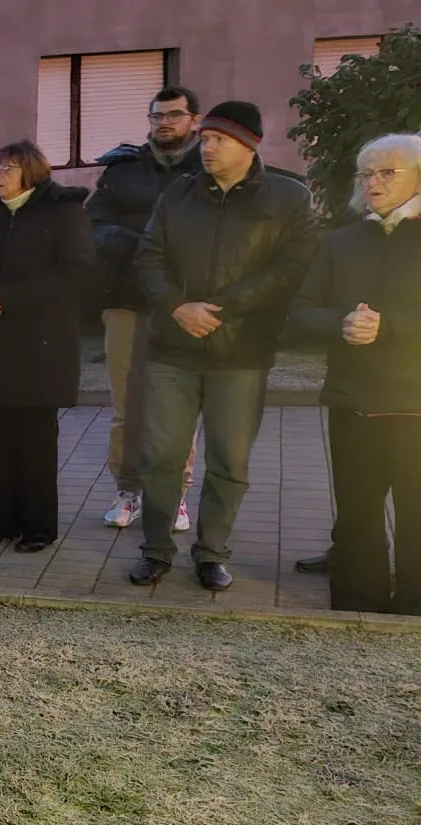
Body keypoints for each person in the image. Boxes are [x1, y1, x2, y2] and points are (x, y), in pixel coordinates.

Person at [128, 101, 320, 591]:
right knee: (161, 457)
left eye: (217, 140)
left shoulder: (287, 197)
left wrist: (222, 308)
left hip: (241, 352)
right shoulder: (179, 195)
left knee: (229, 460)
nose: (206, 148)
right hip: (173, 348)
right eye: (205, 139)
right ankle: (156, 550)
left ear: (247, 145)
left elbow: (291, 267)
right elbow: (149, 258)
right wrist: (177, 307)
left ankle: (212, 553)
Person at [290, 133, 421, 615]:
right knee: (357, 518)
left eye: (388, 172)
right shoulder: (341, 241)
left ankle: (415, 610)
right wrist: (341, 322)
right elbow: (301, 312)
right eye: (367, 173)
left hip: (416, 404)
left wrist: (388, 327)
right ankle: (356, 608)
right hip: (352, 401)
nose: (374, 182)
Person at [0, 141, 95, 553]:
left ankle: (38, 526)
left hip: (43, 342)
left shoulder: (63, 211)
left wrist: (10, 297)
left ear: (30, 172)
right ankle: (0, 520)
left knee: (36, 437)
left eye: (6, 168)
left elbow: (77, 273)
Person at [88, 86, 204, 531]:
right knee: (128, 408)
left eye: (174, 115)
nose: (164, 123)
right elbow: (95, 224)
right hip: (127, 302)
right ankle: (128, 491)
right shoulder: (122, 171)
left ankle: (173, 495)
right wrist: (141, 248)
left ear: (195, 120)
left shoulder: (207, 169)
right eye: (157, 116)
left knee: (178, 406)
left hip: (182, 305)